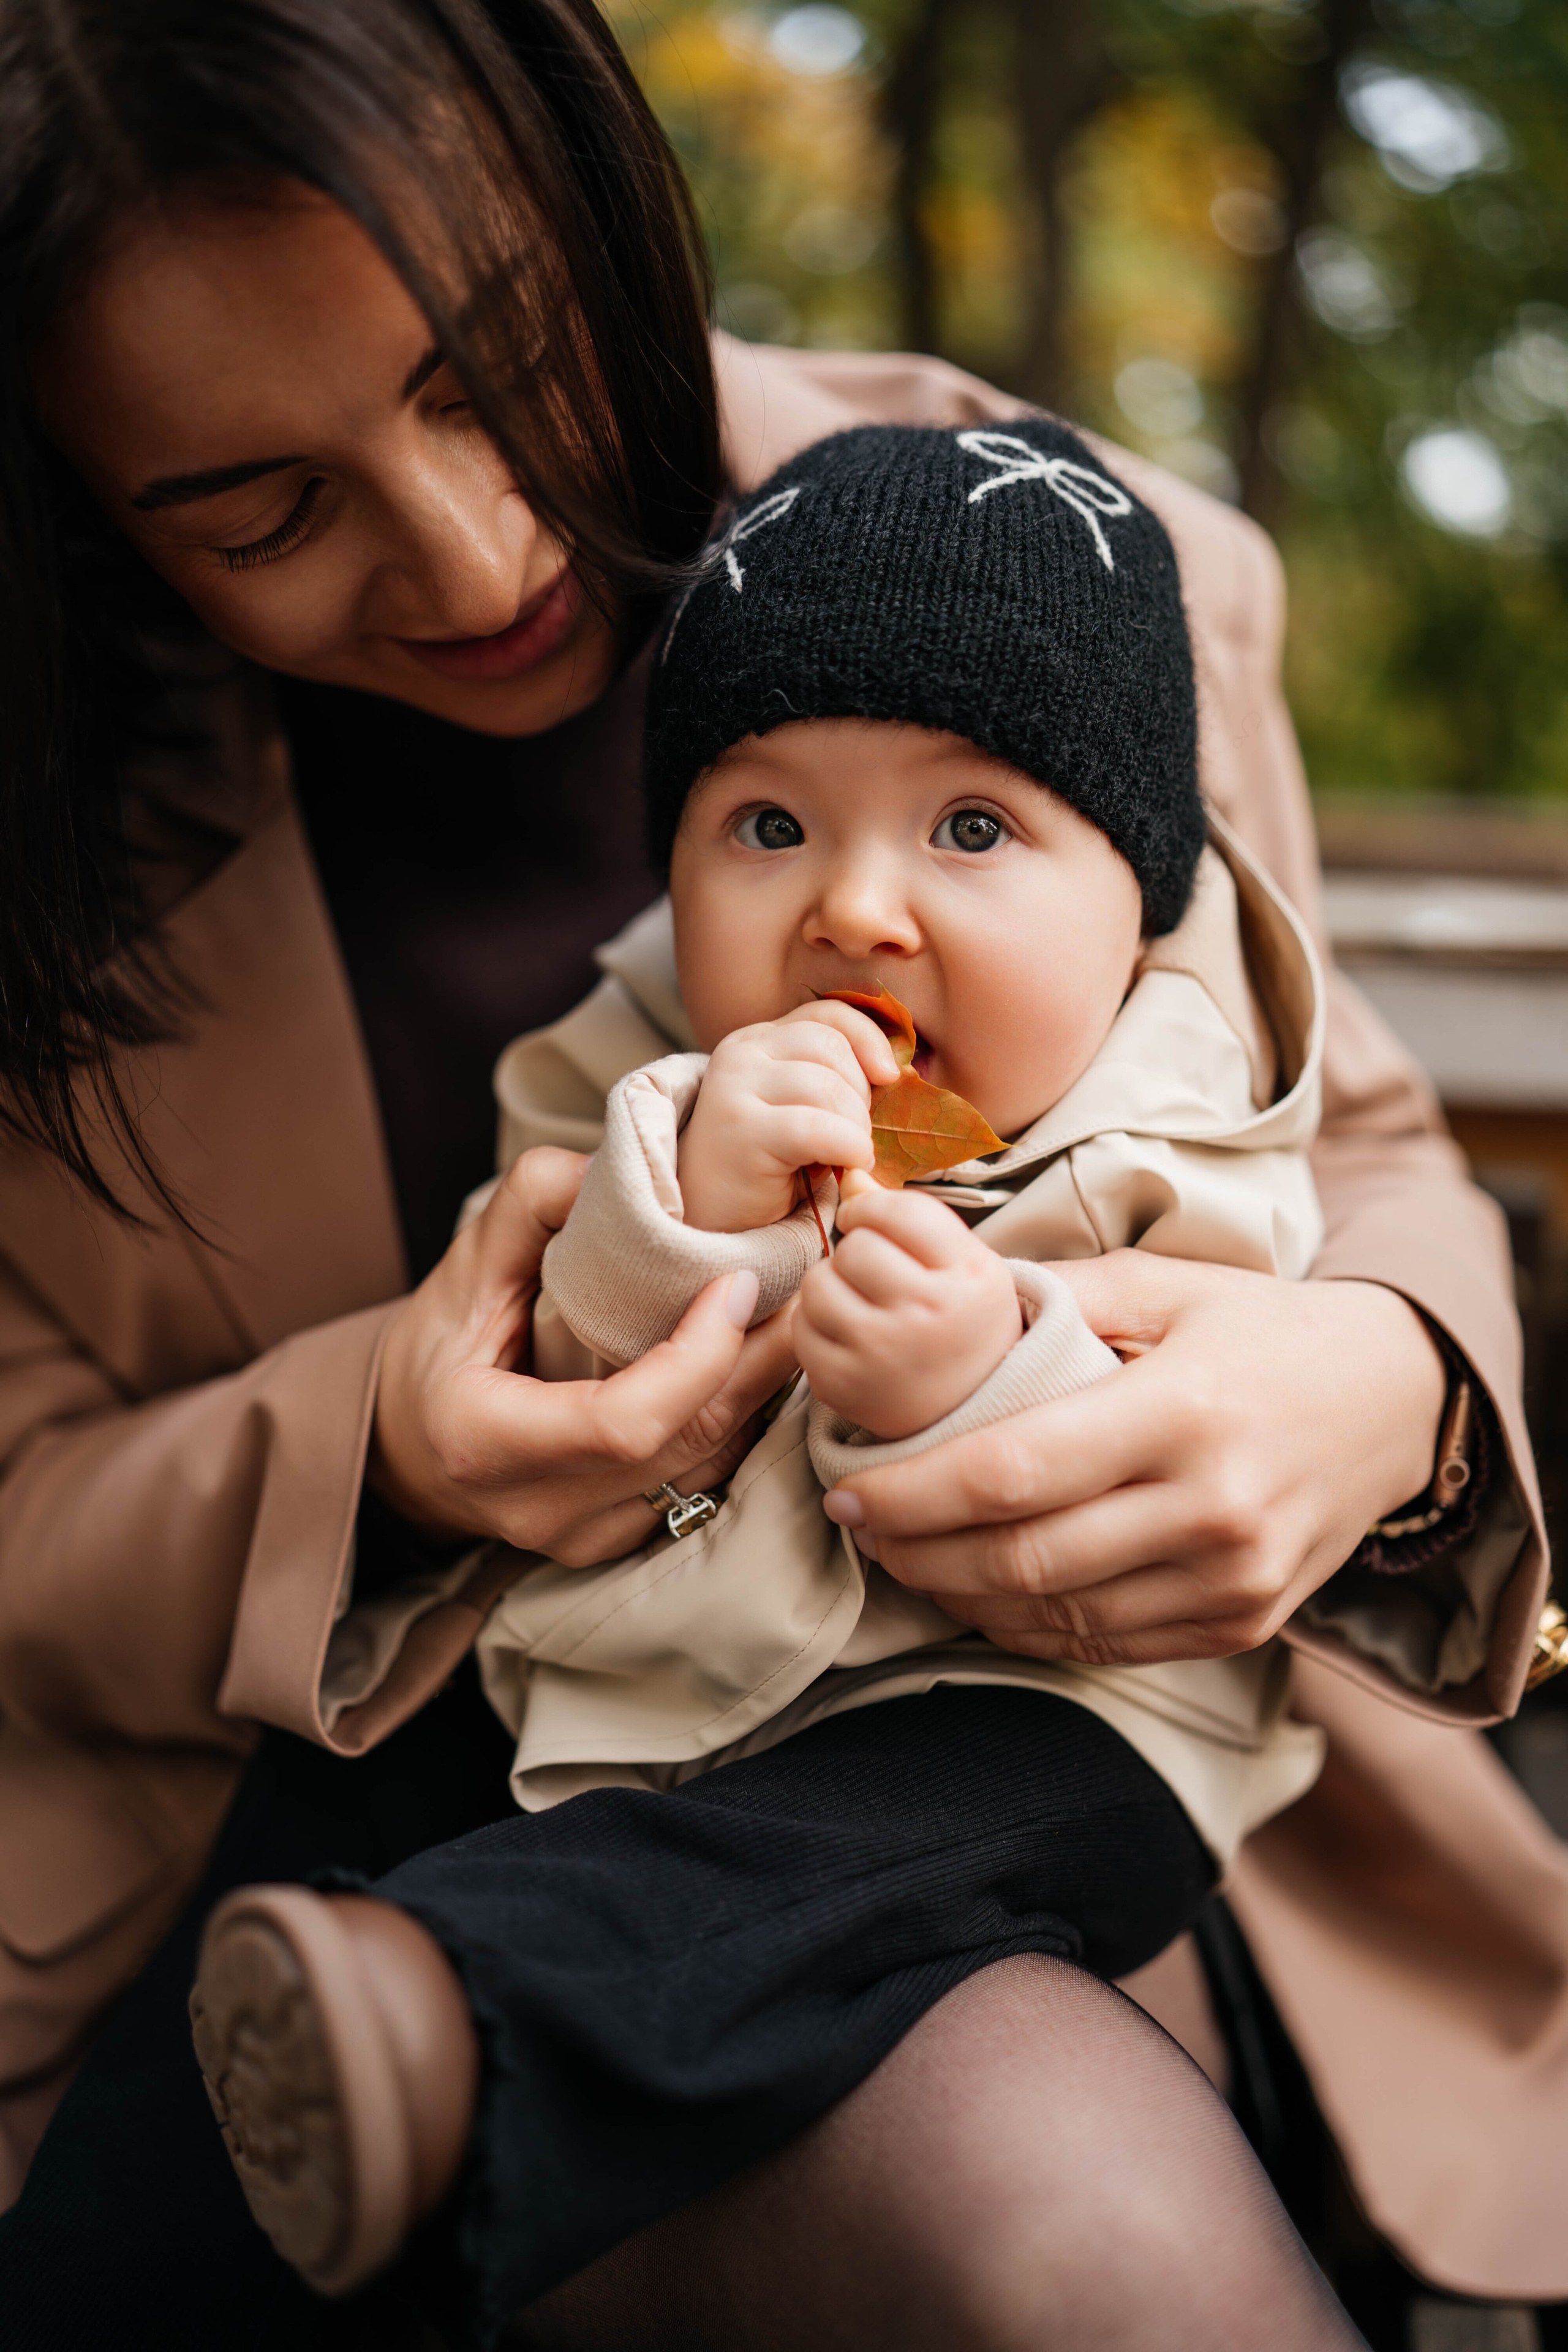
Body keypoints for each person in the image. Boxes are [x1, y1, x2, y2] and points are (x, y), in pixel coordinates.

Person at [0, 1, 1559, 2346]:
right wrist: (383, 1465)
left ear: (603, 190)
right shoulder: (49, 844)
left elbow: (1343, 1136)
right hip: (331, 1846)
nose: (472, 553)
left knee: (1046, 2184)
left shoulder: (1062, 551)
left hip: (1034, 1763)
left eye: (496, 365)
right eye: (266, 514)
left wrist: (1390, 1384)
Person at [188, 417, 1359, 2328]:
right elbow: (552, 1354)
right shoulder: (624, 1073)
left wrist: (992, 1366)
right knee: (615, 1831)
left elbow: (1203, 1409)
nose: (857, 908)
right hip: (658, 1716)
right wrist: (693, 1206)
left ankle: (450, 2012)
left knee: (923, 1820)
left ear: (1137, 896)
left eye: (973, 829)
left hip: (1050, 1722)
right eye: (768, 825)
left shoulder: (1180, 1109)